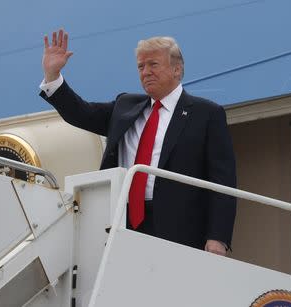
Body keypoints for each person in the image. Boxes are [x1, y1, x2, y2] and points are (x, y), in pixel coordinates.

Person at [39, 29, 236, 256]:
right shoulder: (126, 106)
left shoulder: (206, 113)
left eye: (153, 64)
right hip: (123, 219)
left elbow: (223, 180)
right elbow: (81, 113)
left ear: (177, 69)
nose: (146, 72)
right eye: (141, 67)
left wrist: (218, 237)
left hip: (180, 230)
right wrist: (53, 77)